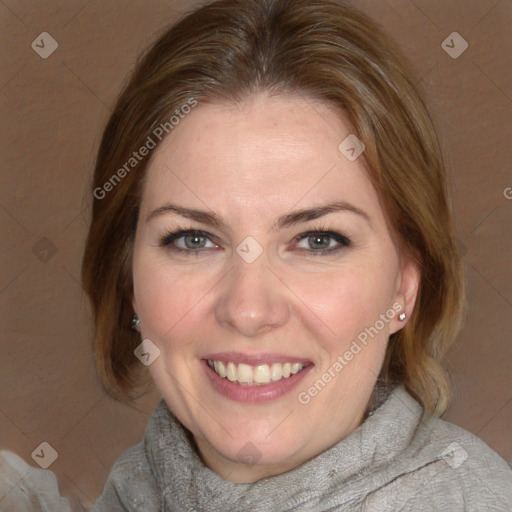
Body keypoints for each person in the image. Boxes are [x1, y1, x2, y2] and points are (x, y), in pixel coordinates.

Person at [2, 0, 510, 510]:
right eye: (193, 240)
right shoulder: (134, 489)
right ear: (130, 277)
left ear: (404, 284)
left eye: (318, 240)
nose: (248, 310)